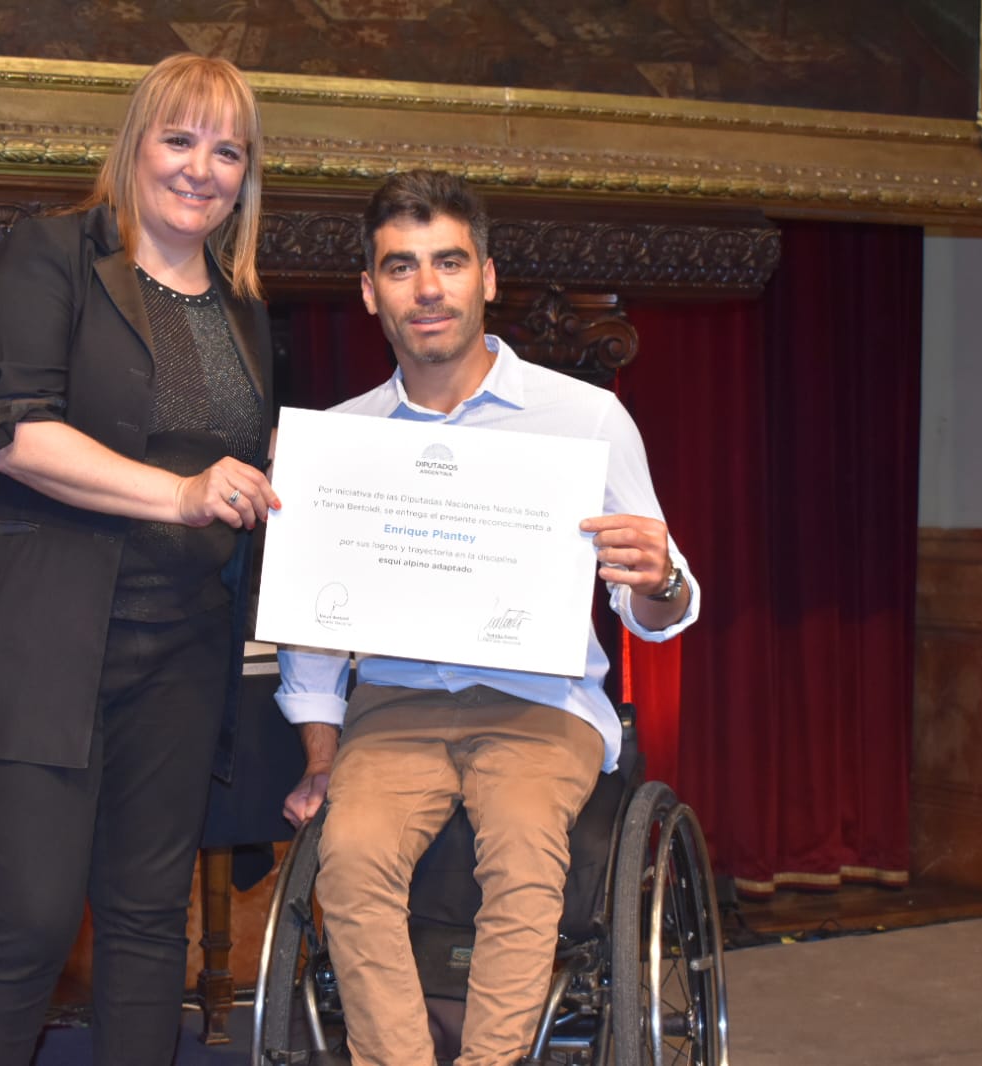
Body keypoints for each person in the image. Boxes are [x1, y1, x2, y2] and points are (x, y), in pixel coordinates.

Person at [276, 169, 699, 1066]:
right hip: (394, 706)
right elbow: (309, 631)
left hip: (538, 706)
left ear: (487, 278)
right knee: (346, 861)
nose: (427, 288)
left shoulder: (586, 419)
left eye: (448, 262)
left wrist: (658, 578)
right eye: (400, 267)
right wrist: (321, 754)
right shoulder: (340, 439)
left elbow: (654, 601)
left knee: (521, 857)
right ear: (368, 292)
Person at [0, 53, 279, 1066]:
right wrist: (181, 491)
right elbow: (18, 436)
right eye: (179, 139)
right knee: (31, 918)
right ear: (134, 143)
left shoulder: (244, 307)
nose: (201, 169)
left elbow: (244, 468)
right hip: (37, 644)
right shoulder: (48, 257)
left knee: (146, 920)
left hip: (179, 650)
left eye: (227, 150)